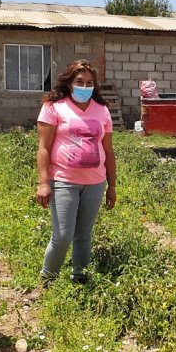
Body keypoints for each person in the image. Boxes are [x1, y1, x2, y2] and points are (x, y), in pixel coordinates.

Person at [35, 59, 117, 284]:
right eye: (79, 81)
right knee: (62, 235)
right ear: (69, 83)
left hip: (95, 182)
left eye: (89, 82)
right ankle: (48, 279)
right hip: (63, 180)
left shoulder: (102, 110)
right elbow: (43, 148)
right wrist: (43, 183)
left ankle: (79, 275)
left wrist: (112, 186)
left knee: (84, 235)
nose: (84, 86)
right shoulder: (54, 107)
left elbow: (108, 151)